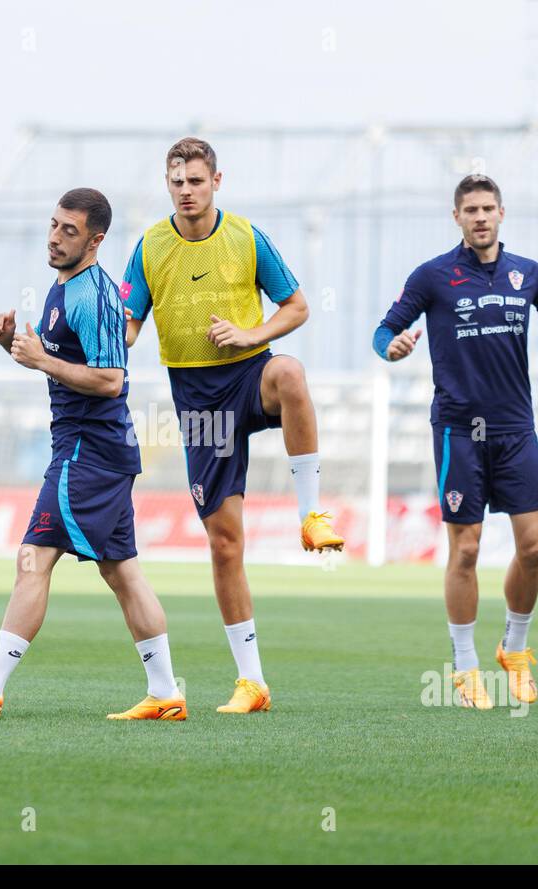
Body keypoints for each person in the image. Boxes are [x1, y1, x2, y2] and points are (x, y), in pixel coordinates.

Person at [0, 189, 183, 720]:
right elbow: (61, 360)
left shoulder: (93, 294)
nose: (54, 236)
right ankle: (165, 693)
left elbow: (111, 381)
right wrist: (12, 346)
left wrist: (42, 360)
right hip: (95, 451)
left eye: (69, 231)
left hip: (87, 450)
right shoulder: (63, 285)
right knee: (122, 573)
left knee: (34, 557)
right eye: (53, 225)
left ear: (95, 241)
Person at [120, 137, 342, 715]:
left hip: (248, 376)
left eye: (196, 180)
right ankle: (252, 683)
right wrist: (90, 345)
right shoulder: (149, 247)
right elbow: (127, 325)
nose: (186, 190)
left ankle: (311, 515)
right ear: (166, 185)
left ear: (218, 180)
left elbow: (296, 307)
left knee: (290, 372)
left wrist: (251, 336)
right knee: (224, 544)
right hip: (199, 405)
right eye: (177, 182)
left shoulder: (246, 237)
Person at [372, 174, 538, 710]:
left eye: (488, 208)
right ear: (457, 218)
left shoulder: (527, 274)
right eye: (470, 209)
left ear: (501, 213)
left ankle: (513, 649)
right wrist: (393, 346)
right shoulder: (433, 277)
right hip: (458, 432)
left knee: (534, 546)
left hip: (516, 429)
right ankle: (466, 666)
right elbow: (383, 331)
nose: (480, 217)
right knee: (465, 549)